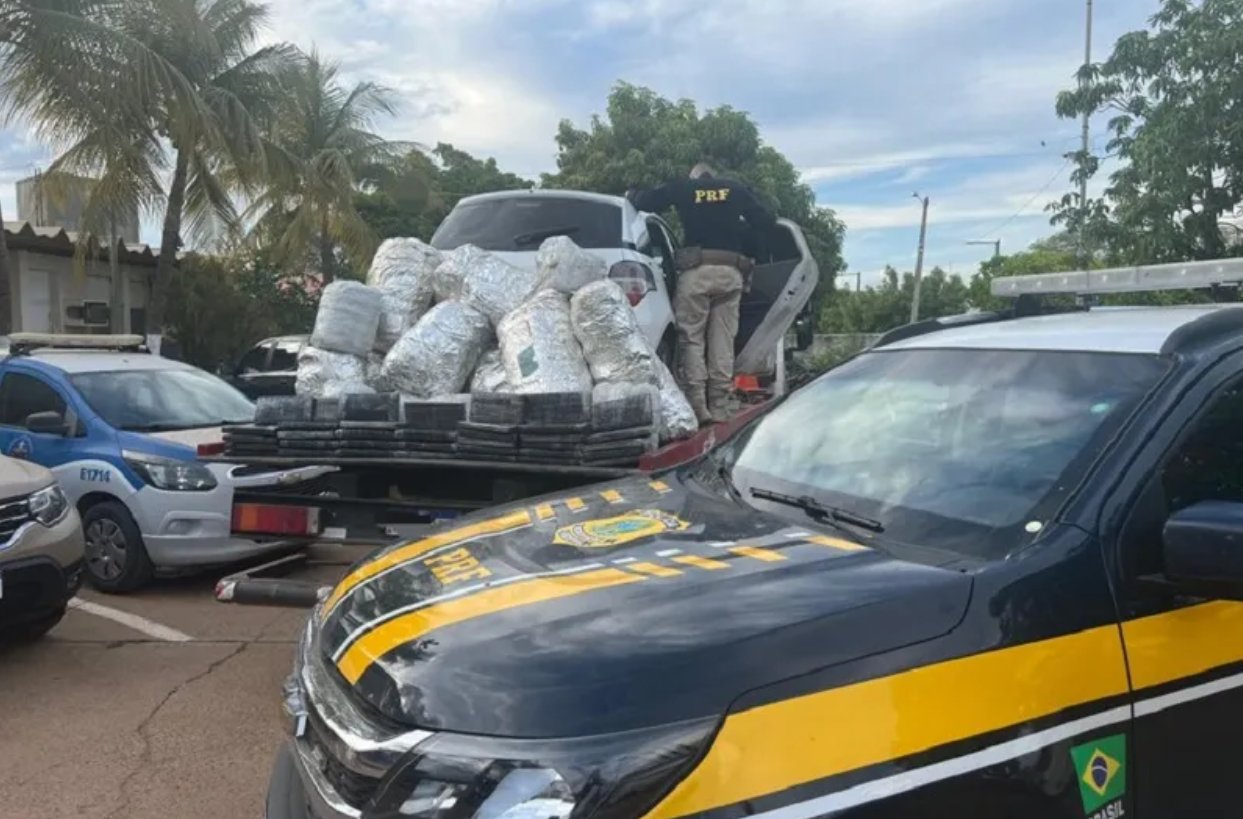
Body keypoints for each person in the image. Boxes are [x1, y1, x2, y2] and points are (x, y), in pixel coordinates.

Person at [629, 163, 776, 424]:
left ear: (694, 178)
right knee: (723, 340)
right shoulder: (735, 189)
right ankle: (720, 403)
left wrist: (632, 195)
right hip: (730, 275)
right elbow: (766, 221)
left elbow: (647, 200)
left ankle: (697, 404)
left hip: (696, 272)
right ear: (713, 176)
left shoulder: (684, 188)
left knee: (692, 338)